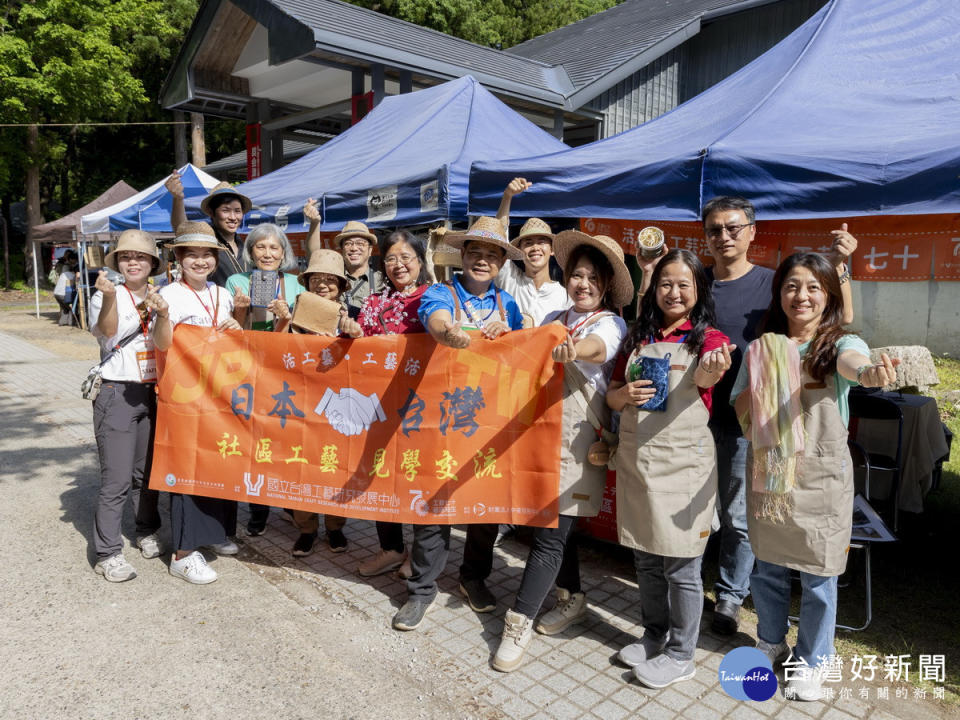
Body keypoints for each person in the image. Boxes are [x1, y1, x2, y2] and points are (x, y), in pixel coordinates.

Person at [638, 196, 858, 636]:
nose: (724, 237)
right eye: (715, 230)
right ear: (706, 236)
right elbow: (651, 319)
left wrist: (843, 267)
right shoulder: (695, 280)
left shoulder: (771, 284)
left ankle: (731, 598)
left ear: (753, 232)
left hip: (749, 424)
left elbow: (839, 319)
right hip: (689, 419)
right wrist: (648, 274)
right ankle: (688, 589)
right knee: (692, 511)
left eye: (733, 228)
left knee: (740, 518)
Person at [731, 252, 896, 701]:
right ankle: (770, 641)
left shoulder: (838, 344)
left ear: (827, 296)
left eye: (812, 287)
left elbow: (854, 363)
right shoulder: (762, 348)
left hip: (821, 474)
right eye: (791, 286)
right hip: (772, 471)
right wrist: (766, 386)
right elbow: (742, 409)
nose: (801, 296)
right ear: (779, 293)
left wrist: (866, 372)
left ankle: (812, 661)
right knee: (767, 567)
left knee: (819, 576)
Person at [492, 231, 629, 672]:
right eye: (576, 275)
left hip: (576, 440)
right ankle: (571, 598)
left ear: (605, 285)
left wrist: (574, 350)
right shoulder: (554, 314)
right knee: (549, 522)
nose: (582, 284)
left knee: (551, 532)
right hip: (540, 431)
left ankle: (519, 621)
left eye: (591, 278)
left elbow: (598, 349)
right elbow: (524, 347)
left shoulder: (610, 322)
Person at [608, 248, 733, 689]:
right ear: (654, 289)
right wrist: (623, 398)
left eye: (684, 284)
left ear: (698, 290)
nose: (674, 292)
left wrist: (712, 371)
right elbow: (612, 393)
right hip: (641, 462)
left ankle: (682, 653)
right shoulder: (637, 338)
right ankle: (653, 634)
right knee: (645, 559)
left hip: (684, 468)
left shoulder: (710, 341)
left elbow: (706, 376)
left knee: (681, 566)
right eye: (665, 283)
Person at [392, 216, 523, 632]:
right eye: (476, 252)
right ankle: (422, 589)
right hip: (441, 420)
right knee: (433, 504)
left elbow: (524, 353)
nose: (483, 260)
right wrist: (448, 331)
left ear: (501, 262)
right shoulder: (440, 292)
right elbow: (436, 318)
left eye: (492, 255)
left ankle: (473, 577)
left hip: (488, 421)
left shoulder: (509, 306)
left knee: (484, 505)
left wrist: (511, 334)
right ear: (462, 256)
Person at [153, 222, 243, 584]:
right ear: (179, 258)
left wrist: (236, 326)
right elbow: (162, 344)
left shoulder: (222, 293)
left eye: (207, 254)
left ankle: (213, 534)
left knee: (217, 460)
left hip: (218, 393)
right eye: (193, 254)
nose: (201, 261)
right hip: (183, 394)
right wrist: (161, 317)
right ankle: (183, 553)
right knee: (187, 468)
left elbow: (229, 341)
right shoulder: (169, 295)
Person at [355, 230, 433, 580]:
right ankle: (390, 547)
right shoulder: (373, 303)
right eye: (390, 259)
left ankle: (416, 553)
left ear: (420, 260)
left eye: (406, 258)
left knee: (416, 476)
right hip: (380, 405)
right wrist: (355, 335)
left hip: (422, 407)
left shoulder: (434, 297)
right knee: (380, 474)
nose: (398, 265)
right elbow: (359, 347)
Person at [89, 231, 167, 582]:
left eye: (140, 257)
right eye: (125, 257)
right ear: (118, 263)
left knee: (145, 473)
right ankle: (107, 552)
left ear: (152, 263)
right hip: (116, 393)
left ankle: (145, 529)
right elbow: (105, 334)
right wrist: (107, 299)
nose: (132, 262)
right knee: (116, 478)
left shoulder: (161, 296)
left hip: (152, 391)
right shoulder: (107, 293)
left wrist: (161, 312)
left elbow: (166, 341)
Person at [224, 223, 303, 535]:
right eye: (261, 247)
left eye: (274, 248)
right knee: (255, 441)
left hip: (286, 374)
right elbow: (233, 334)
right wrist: (241, 311)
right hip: (250, 372)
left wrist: (287, 317)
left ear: (283, 253)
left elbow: (305, 332)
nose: (267, 253)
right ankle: (258, 508)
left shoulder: (297, 284)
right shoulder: (236, 282)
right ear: (251, 251)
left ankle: (287, 502)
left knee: (285, 439)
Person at [287, 249, 361, 558]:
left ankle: (335, 526)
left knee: (335, 465)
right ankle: (306, 528)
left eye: (331, 281)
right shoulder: (294, 311)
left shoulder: (355, 313)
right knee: (302, 465)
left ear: (342, 286)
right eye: (316, 279)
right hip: (302, 400)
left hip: (338, 405)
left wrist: (354, 334)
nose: (323, 285)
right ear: (306, 283)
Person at [494, 177, 570, 326]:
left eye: (541, 242)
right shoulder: (510, 280)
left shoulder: (565, 296)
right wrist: (507, 196)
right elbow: (499, 237)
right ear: (520, 250)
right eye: (528, 243)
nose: (535, 248)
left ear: (552, 250)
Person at [166, 173, 250, 287]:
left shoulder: (246, 245)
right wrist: (178, 199)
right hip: (213, 302)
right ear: (211, 212)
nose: (233, 217)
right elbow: (182, 228)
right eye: (226, 210)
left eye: (237, 211)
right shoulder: (206, 240)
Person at [306, 203, 384, 319]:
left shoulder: (381, 280)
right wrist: (315, 223)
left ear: (370, 250)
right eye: (348, 244)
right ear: (342, 250)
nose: (354, 248)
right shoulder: (333, 275)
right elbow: (314, 256)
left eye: (360, 243)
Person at [53, 249, 79, 326]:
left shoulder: (63, 274)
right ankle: (71, 322)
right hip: (62, 294)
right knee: (71, 307)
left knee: (65, 308)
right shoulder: (72, 275)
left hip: (56, 294)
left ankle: (62, 322)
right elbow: (74, 285)